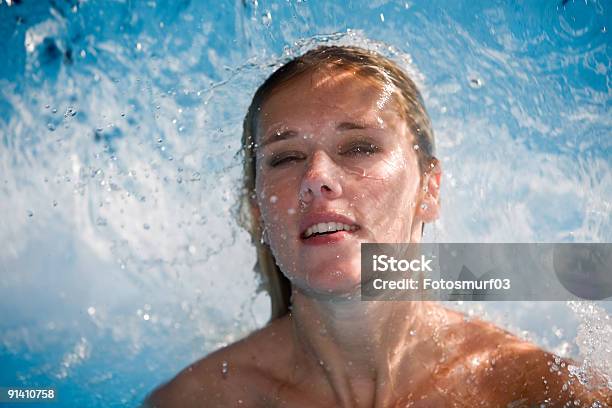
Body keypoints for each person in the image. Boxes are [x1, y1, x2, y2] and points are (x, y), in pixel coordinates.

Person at [144, 45, 611, 407]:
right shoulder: (194, 401)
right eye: (286, 157)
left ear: (429, 189)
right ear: (256, 213)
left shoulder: (533, 392)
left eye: (359, 147)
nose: (317, 179)